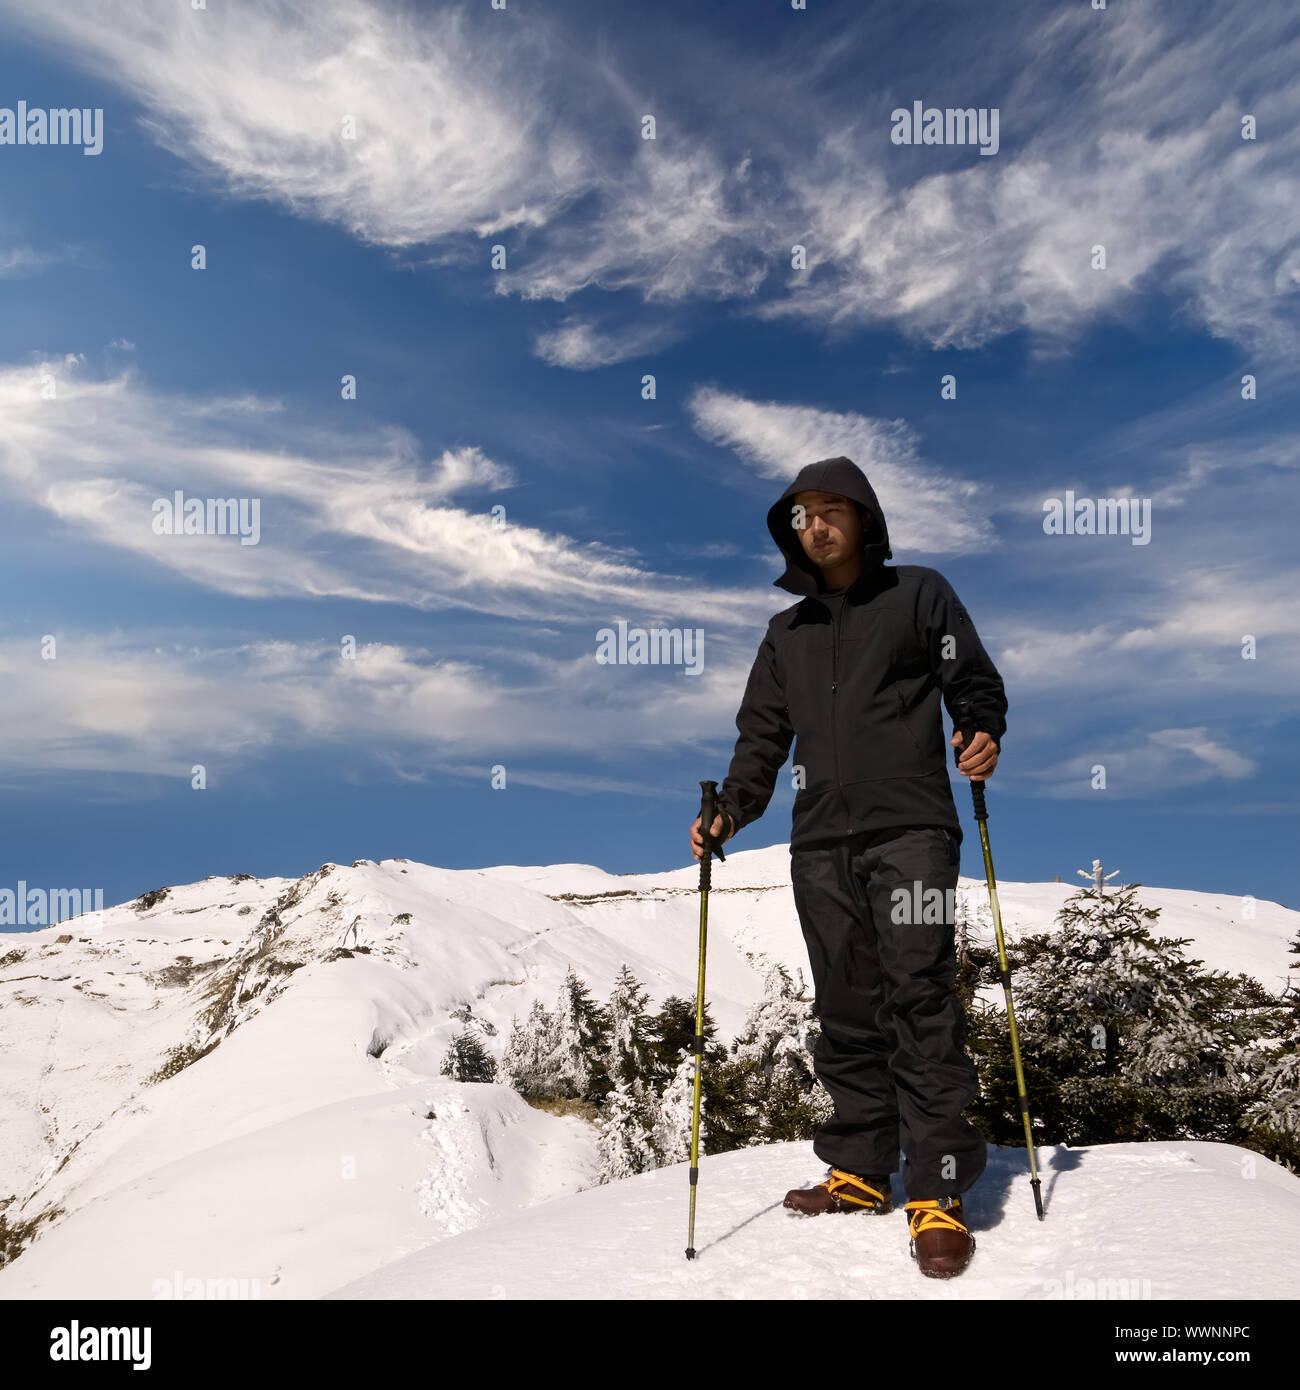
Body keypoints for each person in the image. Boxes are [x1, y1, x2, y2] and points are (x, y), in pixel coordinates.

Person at [688, 455, 1007, 1279]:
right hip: (820, 841)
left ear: (864, 517)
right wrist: (728, 808)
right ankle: (863, 1170)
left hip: (913, 831)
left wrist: (978, 726)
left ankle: (936, 1187)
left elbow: (970, 677)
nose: (815, 525)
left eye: (831, 509)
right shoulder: (784, 634)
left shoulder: (918, 594)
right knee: (846, 1004)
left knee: (921, 993)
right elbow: (762, 741)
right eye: (801, 514)